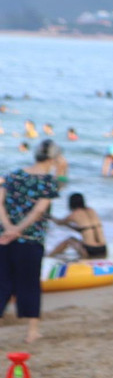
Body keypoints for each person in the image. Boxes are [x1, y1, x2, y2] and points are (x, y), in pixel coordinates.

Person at [1, 139, 62, 343]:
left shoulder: (14, 175)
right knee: (30, 284)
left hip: (4, 238)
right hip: (30, 239)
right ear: (52, 159)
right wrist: (17, 230)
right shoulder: (48, 181)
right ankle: (31, 332)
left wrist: (8, 227)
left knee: (3, 283)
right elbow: (38, 211)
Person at [49, 193, 107, 260]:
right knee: (84, 239)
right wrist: (69, 226)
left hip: (89, 251)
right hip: (103, 249)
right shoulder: (92, 210)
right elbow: (86, 229)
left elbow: (60, 223)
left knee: (69, 240)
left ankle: (50, 256)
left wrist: (50, 217)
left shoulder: (74, 214)